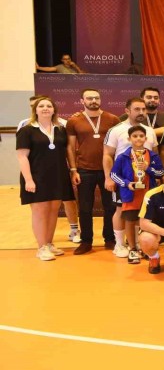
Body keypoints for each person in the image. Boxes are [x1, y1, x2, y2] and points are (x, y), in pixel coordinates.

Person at [16, 96, 76, 261]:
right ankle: (41, 247)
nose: (45, 108)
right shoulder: (27, 130)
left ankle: (49, 243)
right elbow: (22, 157)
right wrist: (29, 180)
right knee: (40, 212)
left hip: (57, 175)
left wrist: (72, 170)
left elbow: (66, 151)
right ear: (35, 110)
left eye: (49, 106)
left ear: (54, 110)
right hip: (36, 176)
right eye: (41, 106)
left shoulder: (60, 129)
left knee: (53, 210)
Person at [65, 89, 120, 254]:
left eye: (96, 98)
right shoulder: (74, 121)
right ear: (82, 101)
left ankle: (110, 239)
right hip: (84, 169)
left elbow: (118, 145)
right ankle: (86, 241)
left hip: (108, 171)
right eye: (89, 98)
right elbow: (70, 147)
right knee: (85, 208)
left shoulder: (113, 119)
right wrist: (73, 169)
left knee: (110, 206)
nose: (93, 101)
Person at [103, 98, 159, 258]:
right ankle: (120, 244)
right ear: (127, 111)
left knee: (141, 212)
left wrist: (156, 175)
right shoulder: (116, 130)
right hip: (124, 180)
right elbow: (107, 155)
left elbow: (154, 154)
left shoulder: (149, 131)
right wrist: (109, 177)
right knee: (121, 210)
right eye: (137, 109)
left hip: (145, 181)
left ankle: (136, 243)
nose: (141, 112)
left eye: (143, 109)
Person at [110, 125, 164, 264]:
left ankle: (145, 247)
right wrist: (127, 183)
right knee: (130, 221)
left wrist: (148, 168)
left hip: (148, 194)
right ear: (129, 139)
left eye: (141, 136)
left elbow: (161, 173)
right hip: (130, 194)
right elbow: (114, 174)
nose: (138, 139)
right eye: (135, 136)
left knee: (147, 222)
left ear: (146, 138)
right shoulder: (123, 156)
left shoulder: (153, 155)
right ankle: (132, 248)